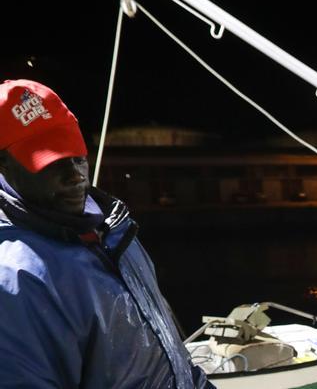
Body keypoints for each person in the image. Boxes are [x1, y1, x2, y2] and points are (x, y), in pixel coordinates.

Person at [0, 79, 213, 388]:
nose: (75, 176)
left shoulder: (115, 230)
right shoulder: (14, 279)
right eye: (50, 161)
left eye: (76, 155)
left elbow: (171, 354)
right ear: (3, 166)